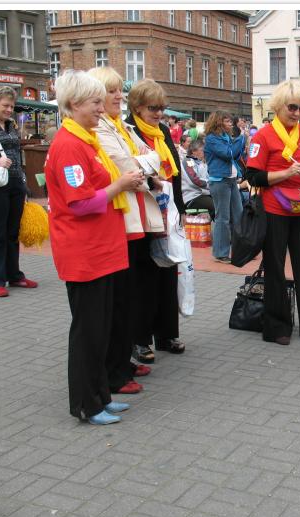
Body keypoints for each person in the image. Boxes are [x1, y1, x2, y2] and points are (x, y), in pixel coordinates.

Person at [46, 69, 145, 424]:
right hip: (84, 253)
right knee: (88, 332)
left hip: (101, 250)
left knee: (100, 330)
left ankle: (101, 395)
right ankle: (86, 404)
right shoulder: (70, 145)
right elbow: (81, 203)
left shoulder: (85, 138)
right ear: (73, 104)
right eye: (95, 103)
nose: (102, 109)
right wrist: (121, 185)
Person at [89, 66, 166, 392]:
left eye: (120, 90)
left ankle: (123, 361)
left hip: (135, 217)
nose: (118, 96)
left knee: (130, 293)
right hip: (120, 219)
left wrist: (143, 165)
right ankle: (116, 367)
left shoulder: (120, 126)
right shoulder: (102, 129)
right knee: (119, 297)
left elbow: (154, 157)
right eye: (111, 91)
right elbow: (128, 166)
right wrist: (143, 166)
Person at [244, 79, 300, 346]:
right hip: (274, 209)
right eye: (293, 108)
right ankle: (276, 328)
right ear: (279, 106)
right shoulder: (263, 135)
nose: (297, 113)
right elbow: (253, 176)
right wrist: (286, 173)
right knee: (275, 267)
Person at [125, 78, 186, 362]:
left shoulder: (162, 131)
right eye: (153, 108)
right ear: (137, 106)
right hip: (143, 210)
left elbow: (175, 173)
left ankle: (166, 334)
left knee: (167, 273)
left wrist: (181, 210)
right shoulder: (129, 130)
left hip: (167, 209)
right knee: (144, 277)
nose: (159, 113)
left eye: (162, 108)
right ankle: (140, 339)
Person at [0, 86, 38, 297]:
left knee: (12, 232)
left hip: (15, 182)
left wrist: (23, 183)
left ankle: (14, 274)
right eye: (5, 105)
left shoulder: (11, 125)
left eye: (11, 106)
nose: (9, 110)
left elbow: (17, 154)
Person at [204, 110, 247, 263]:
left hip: (230, 179)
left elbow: (234, 155)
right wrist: (241, 139)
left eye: (230, 121)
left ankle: (241, 249)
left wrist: (240, 143)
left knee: (238, 214)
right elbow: (227, 154)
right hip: (219, 180)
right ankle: (221, 253)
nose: (231, 124)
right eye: (227, 121)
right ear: (219, 122)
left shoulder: (225, 137)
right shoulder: (211, 139)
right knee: (223, 217)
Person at [181, 139, 214, 218]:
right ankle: (219, 228)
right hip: (192, 196)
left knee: (221, 202)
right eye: (202, 150)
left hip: (202, 194)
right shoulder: (188, 161)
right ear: (193, 152)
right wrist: (210, 184)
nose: (204, 152)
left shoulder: (201, 162)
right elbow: (195, 180)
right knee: (215, 205)